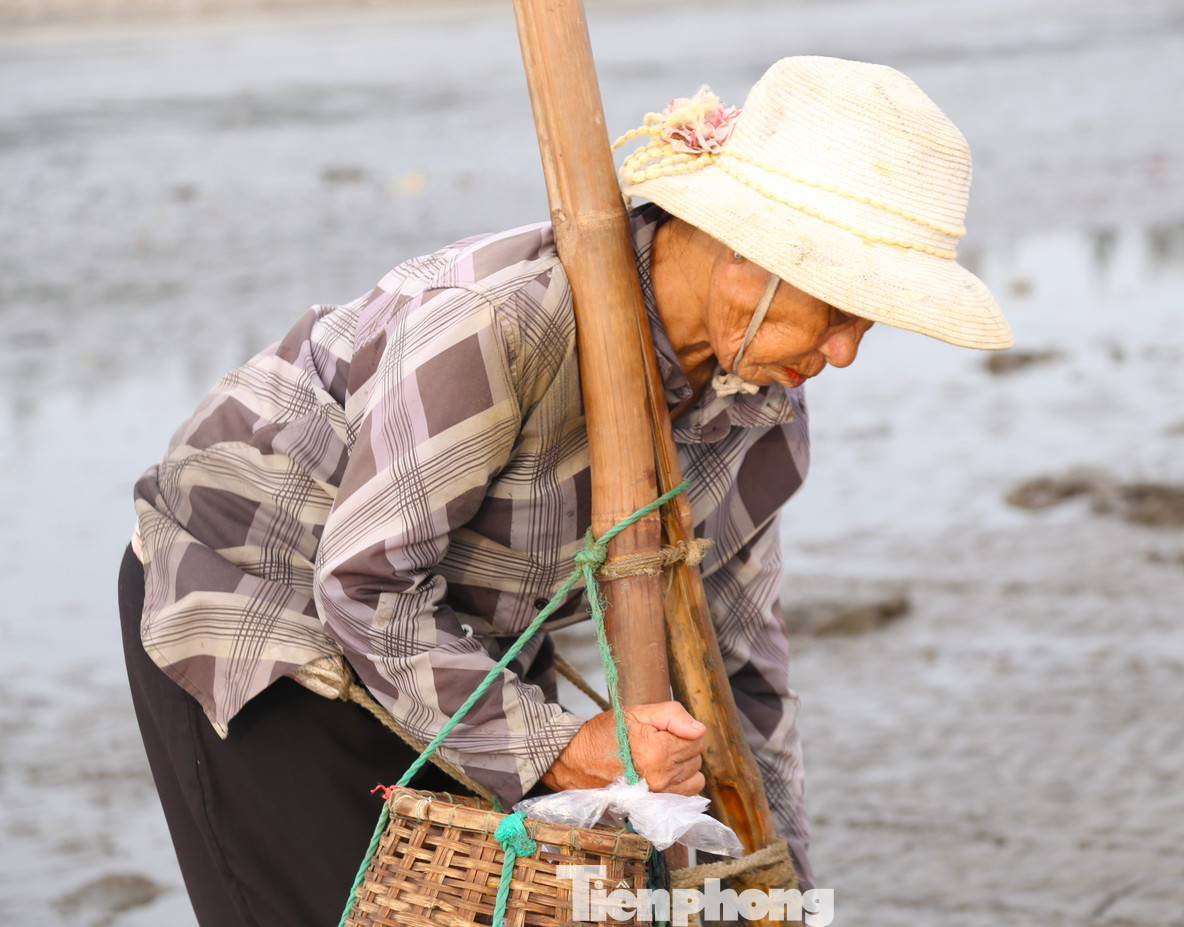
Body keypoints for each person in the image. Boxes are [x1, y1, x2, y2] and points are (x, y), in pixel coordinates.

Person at [120, 55, 1011, 926]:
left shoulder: (764, 411)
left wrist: (778, 880)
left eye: (869, 321)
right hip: (264, 608)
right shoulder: (503, 319)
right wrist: (560, 747)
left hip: (462, 648)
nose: (847, 352)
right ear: (748, 250)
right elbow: (363, 584)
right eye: (841, 308)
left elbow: (741, 671)